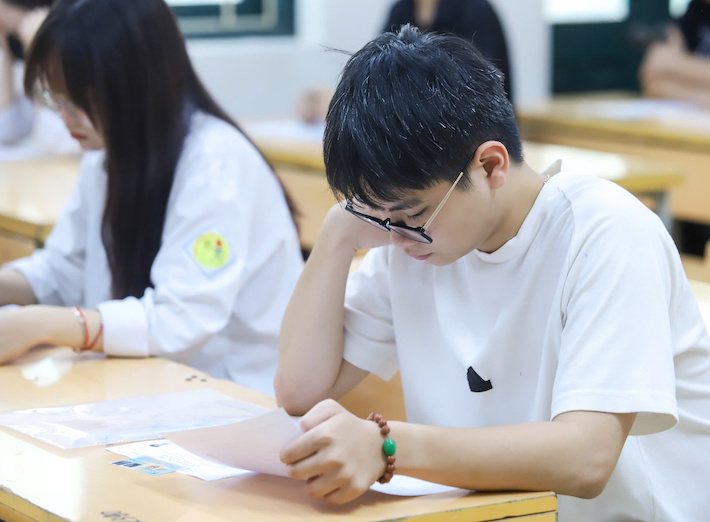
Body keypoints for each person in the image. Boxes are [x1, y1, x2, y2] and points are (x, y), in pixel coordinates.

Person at [274, 25, 710, 520]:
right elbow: (300, 391)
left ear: (491, 166)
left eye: (412, 214)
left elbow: (587, 459)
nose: (397, 236)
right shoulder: (416, 240)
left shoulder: (606, 232)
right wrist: (338, 233)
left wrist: (387, 446)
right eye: (379, 217)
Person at [0, 0, 303, 396]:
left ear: (133, 84)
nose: (63, 116)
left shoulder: (216, 165)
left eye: (77, 100)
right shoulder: (107, 154)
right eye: (54, 97)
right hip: (148, 387)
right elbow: (63, 270)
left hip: (236, 396)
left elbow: (179, 321)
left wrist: (40, 324)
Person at [298, 0, 513, 124]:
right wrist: (340, 99)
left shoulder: (476, 11)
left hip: (470, 134)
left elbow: (470, 96)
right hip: (416, 133)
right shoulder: (401, 9)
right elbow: (375, 72)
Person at [384, 0, 512, 100]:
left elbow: (480, 81)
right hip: (411, 116)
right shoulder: (400, 10)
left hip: (468, 116)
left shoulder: (475, 9)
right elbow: (381, 65)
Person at [0, 0, 76, 156]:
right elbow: (7, 131)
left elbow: (57, 141)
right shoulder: (16, 42)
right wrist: (3, 53)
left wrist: (37, 51)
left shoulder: (76, 37)